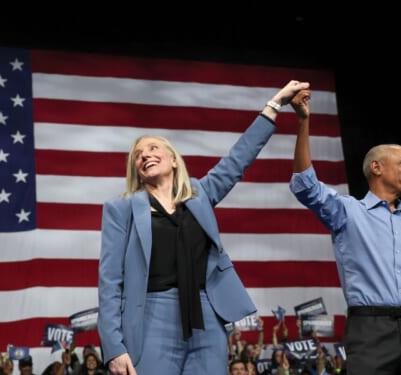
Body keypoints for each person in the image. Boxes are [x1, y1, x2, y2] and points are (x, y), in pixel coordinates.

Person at [98, 80, 309, 375]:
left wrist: (274, 105)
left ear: (173, 160)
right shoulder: (120, 209)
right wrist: (113, 346)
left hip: (206, 314)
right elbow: (109, 281)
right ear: (136, 169)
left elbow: (238, 159)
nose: (145, 154)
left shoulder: (201, 194)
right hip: (151, 317)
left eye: (153, 147)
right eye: (138, 154)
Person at [287, 87, 401, 374]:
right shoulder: (348, 212)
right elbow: (304, 185)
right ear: (377, 168)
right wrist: (303, 120)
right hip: (370, 331)